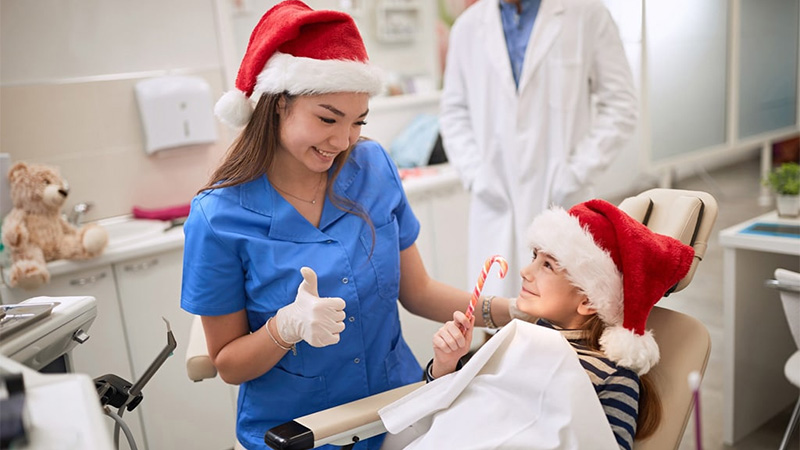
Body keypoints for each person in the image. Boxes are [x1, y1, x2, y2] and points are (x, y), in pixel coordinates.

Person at [179, 2, 516, 448]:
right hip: (296, 432)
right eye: (327, 118)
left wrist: (513, 313)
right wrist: (284, 329)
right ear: (280, 104)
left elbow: (417, 292)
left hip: (397, 411)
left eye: (358, 121)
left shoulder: (372, 166)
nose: (342, 142)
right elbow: (228, 363)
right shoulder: (217, 215)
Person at [428, 199, 695, 450]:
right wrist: (446, 365)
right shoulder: (514, 339)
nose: (525, 271)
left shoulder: (613, 377)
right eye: (534, 256)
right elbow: (453, 410)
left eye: (547, 266)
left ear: (589, 300)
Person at [439, 0, 638, 299]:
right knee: (495, 320)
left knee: (565, 324)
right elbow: (453, 112)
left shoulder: (586, 14)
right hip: (495, 202)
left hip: (563, 197)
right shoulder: (467, 27)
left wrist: (577, 170)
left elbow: (621, 105)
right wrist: (476, 174)